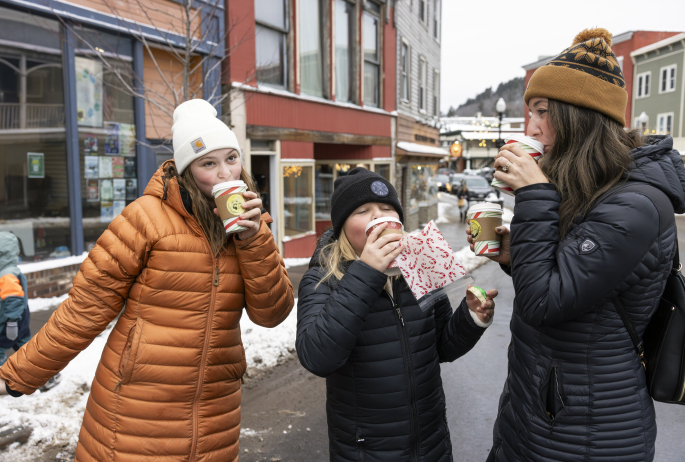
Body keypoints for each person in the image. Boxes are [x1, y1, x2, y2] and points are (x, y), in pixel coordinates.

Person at [0, 99, 295, 461]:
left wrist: (254, 241)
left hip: (214, 418)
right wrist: (15, 376)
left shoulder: (252, 223)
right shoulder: (145, 219)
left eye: (231, 159)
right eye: (208, 163)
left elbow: (273, 313)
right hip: (135, 413)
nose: (225, 175)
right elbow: (85, 309)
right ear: (187, 169)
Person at [467, 29, 685, 462]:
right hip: (536, 413)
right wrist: (516, 256)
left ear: (580, 117)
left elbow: (544, 302)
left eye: (542, 111)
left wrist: (533, 196)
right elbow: (566, 279)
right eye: (529, 111)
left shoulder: (634, 205)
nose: (530, 126)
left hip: (588, 433)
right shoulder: (590, 188)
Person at [297, 167, 498, 462]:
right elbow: (317, 357)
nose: (378, 217)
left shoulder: (421, 260)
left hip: (432, 443)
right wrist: (366, 272)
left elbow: (440, 346)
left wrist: (471, 318)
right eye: (363, 211)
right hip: (366, 450)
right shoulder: (323, 278)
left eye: (386, 208)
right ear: (342, 226)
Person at [0, 232, 30, 368]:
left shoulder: (6, 275)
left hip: (9, 325)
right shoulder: (12, 271)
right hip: (21, 322)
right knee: (27, 353)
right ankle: (46, 378)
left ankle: (6, 379)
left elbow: (14, 299)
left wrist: (11, 324)